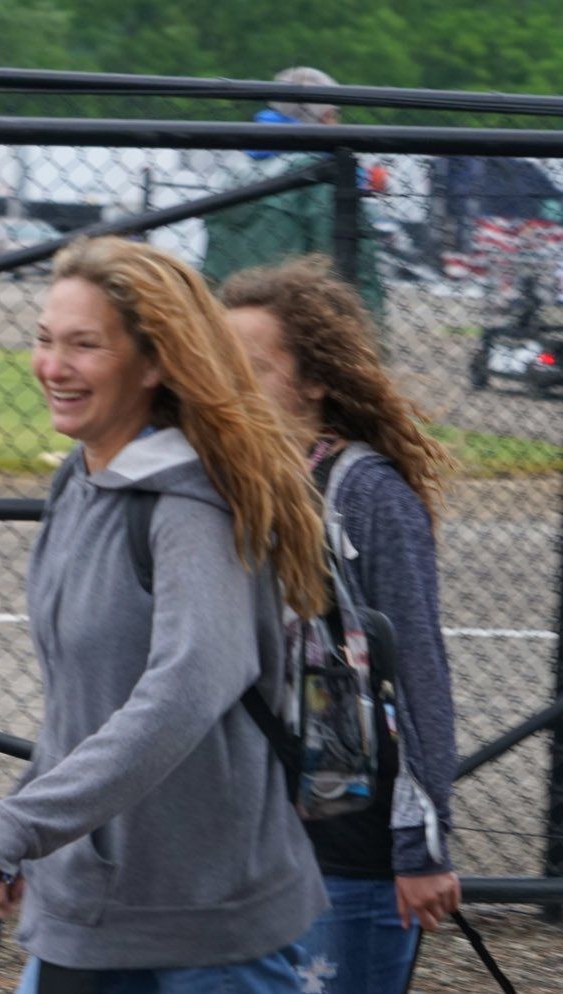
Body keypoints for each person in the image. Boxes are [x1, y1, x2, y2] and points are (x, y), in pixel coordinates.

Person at [0, 237, 332, 993]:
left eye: (84, 346)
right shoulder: (78, 485)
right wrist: (30, 834)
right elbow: (77, 710)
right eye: (45, 340)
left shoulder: (191, 506)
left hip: (208, 930)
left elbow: (188, 685)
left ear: (154, 364)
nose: (53, 366)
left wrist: (22, 826)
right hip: (88, 910)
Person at [222, 257, 460, 994]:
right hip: (246, 842)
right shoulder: (224, 486)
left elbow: (417, 669)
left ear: (315, 381)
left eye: (252, 369)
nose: (230, 387)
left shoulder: (366, 492)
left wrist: (422, 849)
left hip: (346, 849)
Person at [200, 66, 385, 318]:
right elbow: (353, 272)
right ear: (327, 116)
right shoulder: (322, 176)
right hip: (298, 330)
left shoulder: (232, 170)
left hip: (226, 321)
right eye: (336, 114)